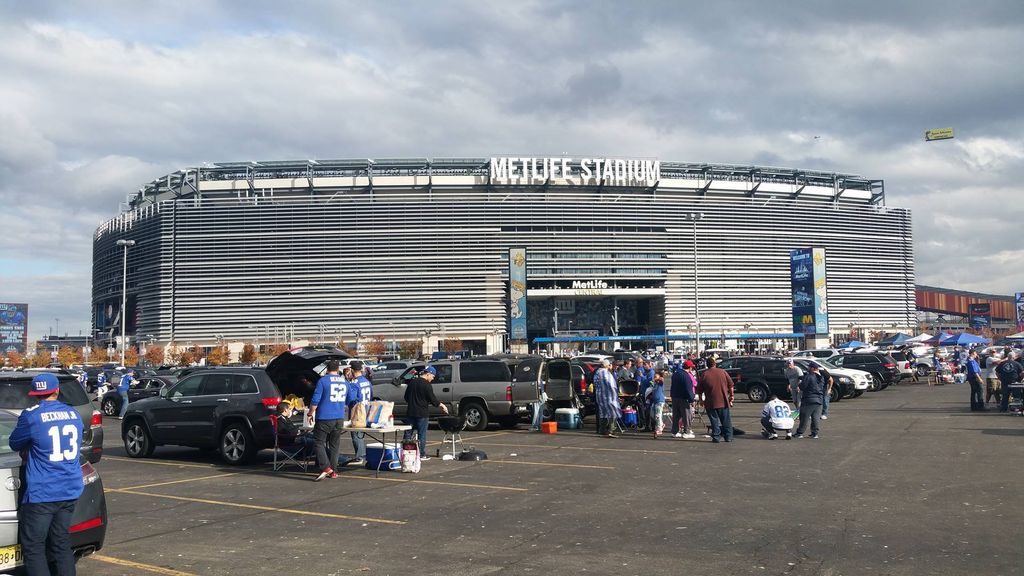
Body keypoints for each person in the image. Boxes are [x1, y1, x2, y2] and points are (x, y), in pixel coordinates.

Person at [9, 374, 84, 575]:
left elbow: (14, 443)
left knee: (34, 547)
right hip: (69, 488)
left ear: (35, 394)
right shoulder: (73, 413)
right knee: (61, 543)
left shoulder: (31, 415)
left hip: (43, 491)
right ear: (57, 390)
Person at [307, 360, 348, 481]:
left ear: (327, 369)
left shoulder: (323, 381)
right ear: (338, 369)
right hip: (339, 417)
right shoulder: (344, 382)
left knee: (318, 442)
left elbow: (315, 400)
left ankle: (326, 467)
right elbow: (350, 399)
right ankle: (334, 470)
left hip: (325, 417)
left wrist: (310, 413)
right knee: (334, 445)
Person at [403, 366, 449, 459]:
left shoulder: (412, 382)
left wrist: (413, 402)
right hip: (422, 413)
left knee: (408, 433)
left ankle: (405, 452)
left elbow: (406, 397)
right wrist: (442, 405)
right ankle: (421, 454)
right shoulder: (427, 385)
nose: (433, 378)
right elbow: (433, 399)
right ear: (428, 374)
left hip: (411, 412)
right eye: (432, 376)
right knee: (421, 434)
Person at [696, 356, 734, 443]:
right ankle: (728, 436)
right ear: (715, 364)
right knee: (726, 420)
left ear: (707, 365)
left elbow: (699, 390)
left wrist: (701, 400)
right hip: (723, 401)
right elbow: (731, 385)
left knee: (714, 420)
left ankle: (716, 437)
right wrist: (731, 396)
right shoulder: (723, 372)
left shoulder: (704, 374)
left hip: (710, 402)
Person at [345, 361, 372, 466]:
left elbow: (351, 399)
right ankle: (361, 454)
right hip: (366, 408)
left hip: (357, 410)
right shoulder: (366, 381)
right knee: (360, 434)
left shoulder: (354, 383)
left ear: (352, 370)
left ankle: (360, 456)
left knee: (356, 433)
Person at [795, 362, 826, 438]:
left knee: (804, 417)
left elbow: (803, 386)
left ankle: (800, 433)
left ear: (813, 368)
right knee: (815, 418)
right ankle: (815, 433)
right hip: (819, 400)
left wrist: (799, 384)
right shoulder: (821, 377)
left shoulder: (809, 376)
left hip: (809, 399)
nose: (808, 368)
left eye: (809, 367)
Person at [593, 359, 621, 438]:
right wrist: (616, 394)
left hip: (599, 396)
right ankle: (611, 430)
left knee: (603, 413)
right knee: (612, 412)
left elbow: (595, 384)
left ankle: (602, 430)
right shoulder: (605, 373)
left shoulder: (597, 372)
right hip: (608, 396)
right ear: (607, 365)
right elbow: (612, 385)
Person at [670, 360, 697, 439]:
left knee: (676, 415)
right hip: (683, 398)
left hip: (675, 397)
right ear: (690, 367)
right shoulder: (686, 376)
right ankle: (687, 432)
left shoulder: (676, 374)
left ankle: (674, 431)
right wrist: (692, 399)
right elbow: (688, 389)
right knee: (686, 415)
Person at [649, 369, 668, 437]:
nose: (654, 377)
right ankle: (661, 424)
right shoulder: (654, 384)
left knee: (658, 415)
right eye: (654, 376)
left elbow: (662, 379)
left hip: (660, 401)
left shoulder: (660, 383)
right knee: (652, 414)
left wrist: (659, 377)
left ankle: (659, 429)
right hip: (654, 401)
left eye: (655, 376)